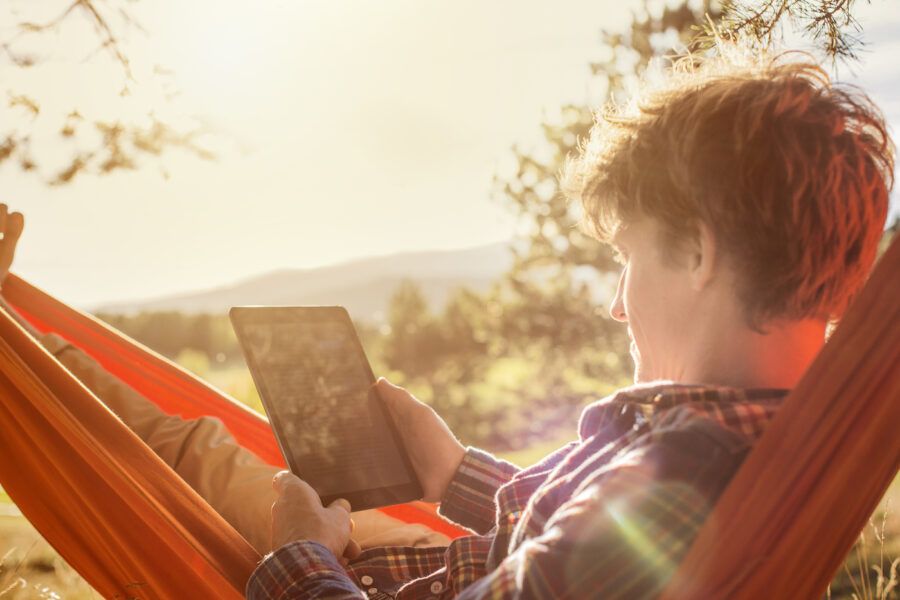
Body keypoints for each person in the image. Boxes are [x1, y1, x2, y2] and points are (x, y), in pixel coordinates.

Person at [246, 51, 893, 598]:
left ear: (698, 254)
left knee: (184, 454)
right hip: (420, 564)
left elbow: (614, 530)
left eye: (626, 258)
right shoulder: (755, 446)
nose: (617, 304)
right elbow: (576, 545)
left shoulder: (680, 476)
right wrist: (455, 474)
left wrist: (300, 558)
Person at [0, 205, 450, 555]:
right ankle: (18, 342)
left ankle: (15, 343)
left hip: (364, 575)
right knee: (193, 451)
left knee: (177, 460)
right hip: (440, 553)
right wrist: (461, 473)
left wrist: (305, 553)